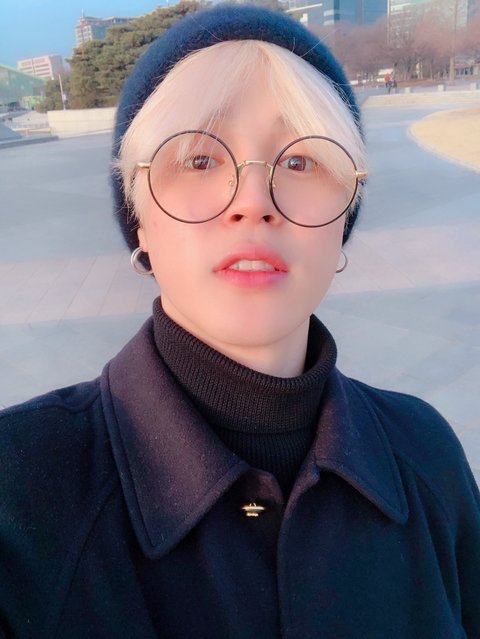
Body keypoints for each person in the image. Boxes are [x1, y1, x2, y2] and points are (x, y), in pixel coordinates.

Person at [1, 5, 479, 638]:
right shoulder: (19, 491)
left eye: (301, 161)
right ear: (140, 220)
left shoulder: (426, 453)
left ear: (343, 218)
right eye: (199, 158)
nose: (254, 202)